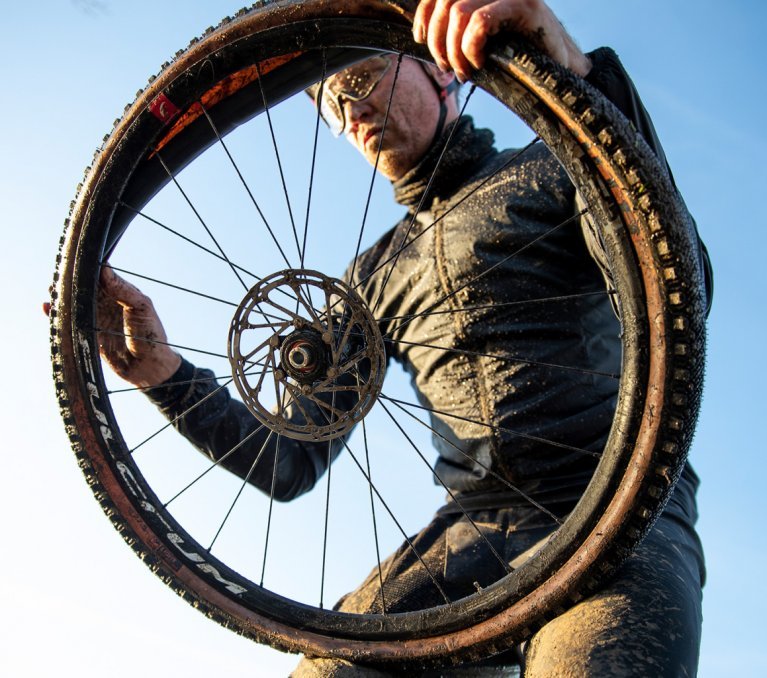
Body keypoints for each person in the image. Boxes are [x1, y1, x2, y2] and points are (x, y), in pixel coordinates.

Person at [94, 1, 711, 675]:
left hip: (621, 511)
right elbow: (288, 462)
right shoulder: (369, 277)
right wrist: (166, 377)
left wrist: (584, 81)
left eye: (357, 78)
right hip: (473, 532)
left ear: (438, 73)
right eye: (331, 104)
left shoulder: (551, 165)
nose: (347, 109)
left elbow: (678, 288)